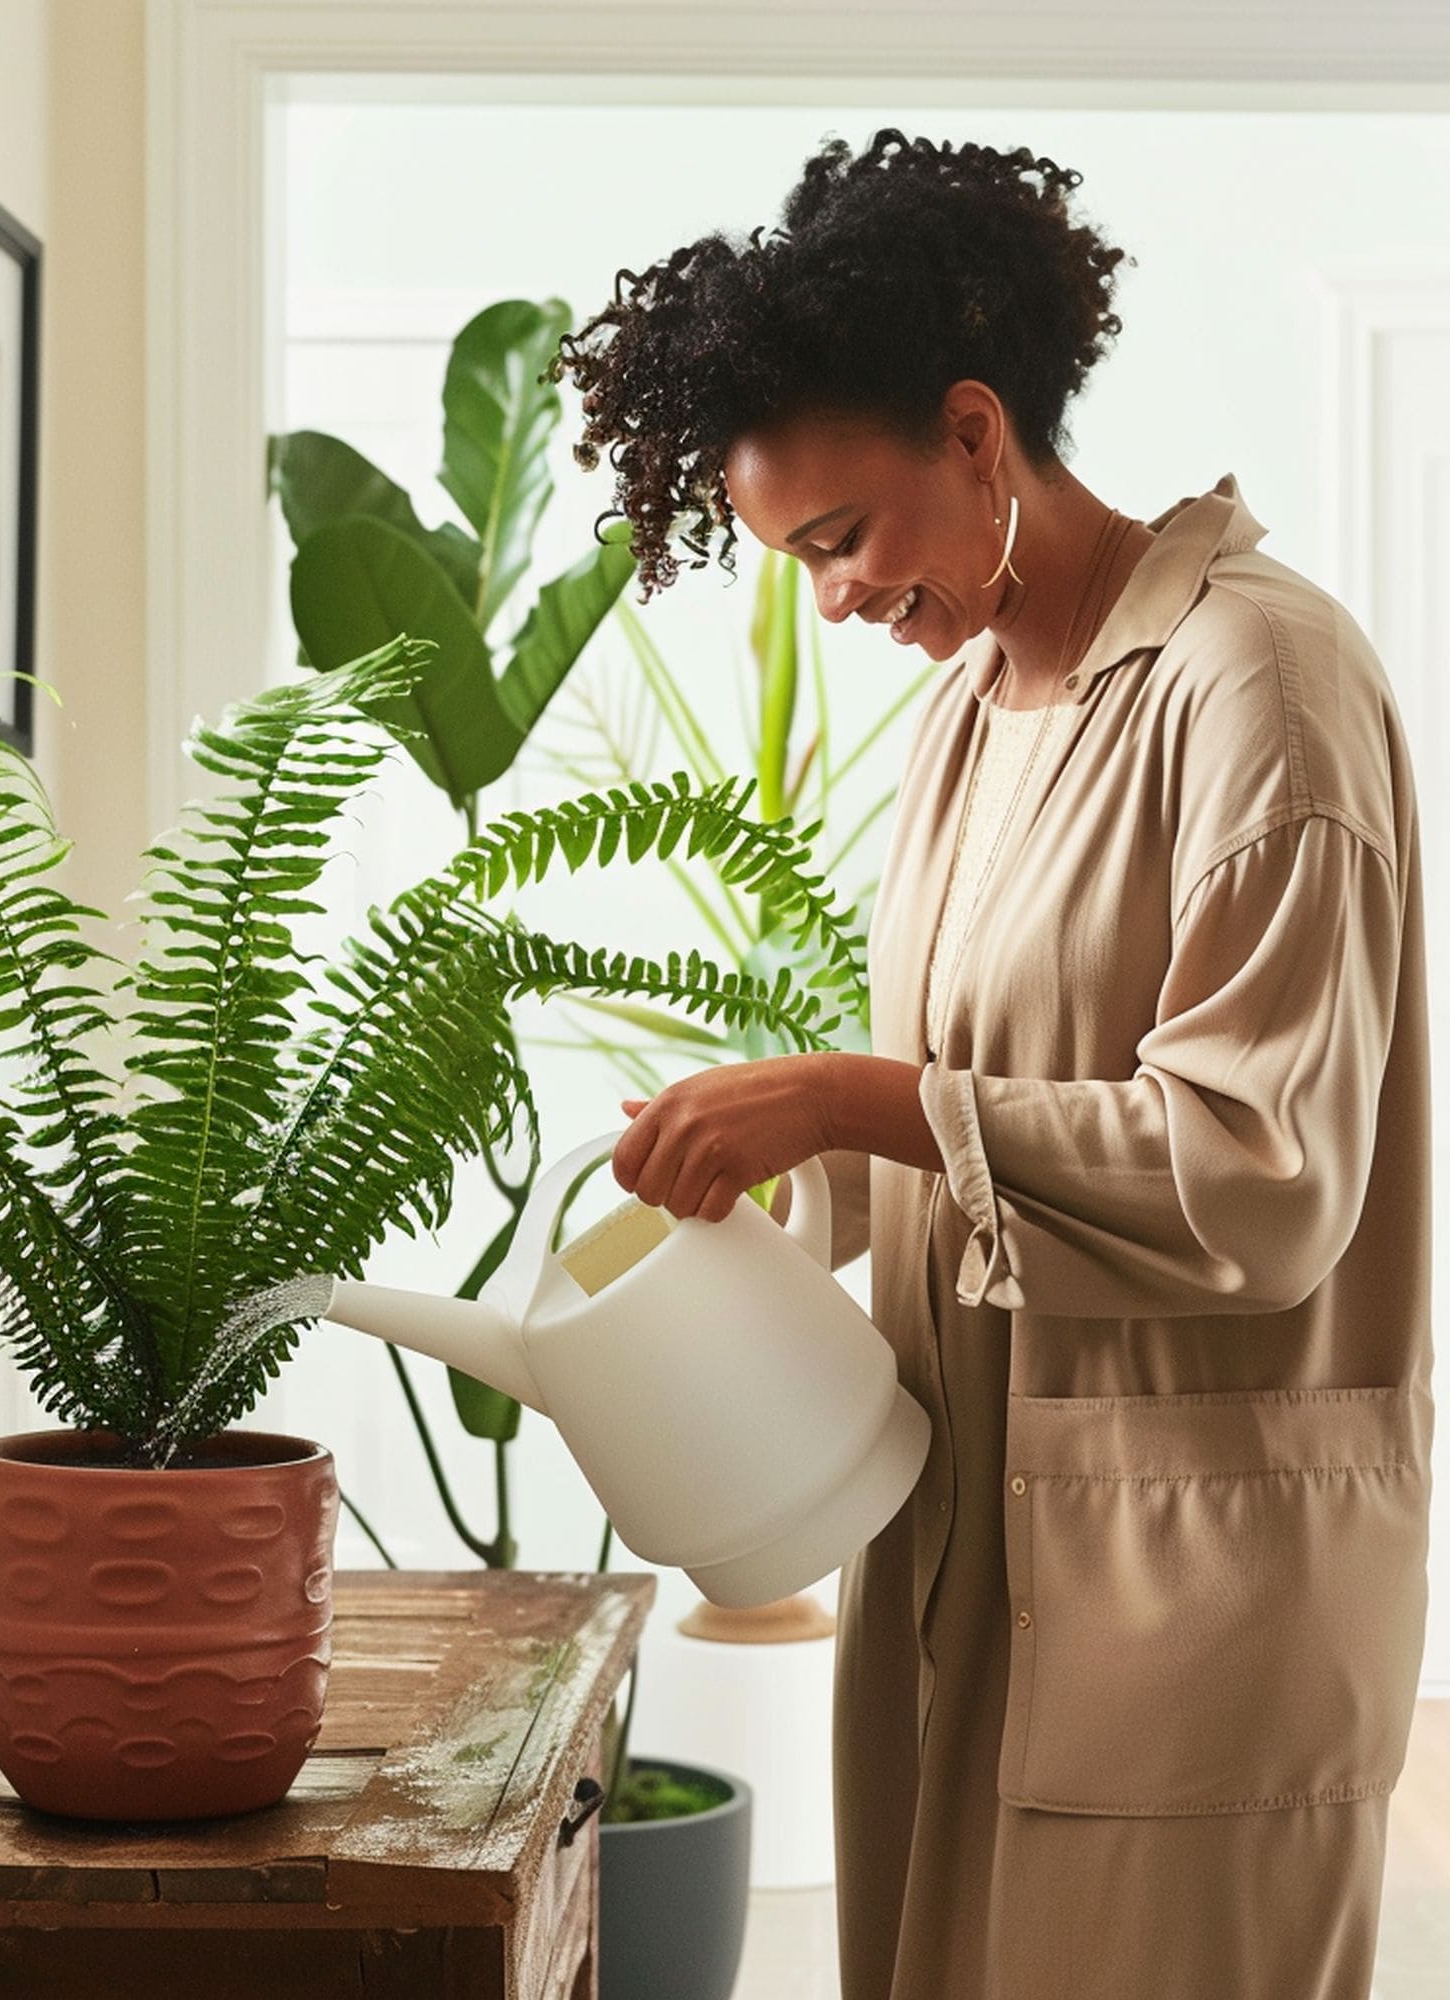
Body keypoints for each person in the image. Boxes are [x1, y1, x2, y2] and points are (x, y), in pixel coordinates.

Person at [548, 129, 1432, 2000]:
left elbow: (1263, 1177)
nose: (835, 602)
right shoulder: (967, 724)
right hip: (955, 1555)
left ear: (974, 432)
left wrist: (851, 1100)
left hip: (1191, 1593)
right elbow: (947, 1109)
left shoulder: (1259, 690)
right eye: (791, 559)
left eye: (839, 539)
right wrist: (747, 1160)